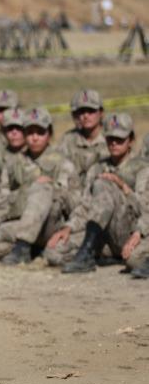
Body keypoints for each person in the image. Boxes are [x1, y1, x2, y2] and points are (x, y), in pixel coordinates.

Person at [0, 108, 79, 264]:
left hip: (50, 227)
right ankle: (28, 249)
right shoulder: (16, 163)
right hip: (20, 224)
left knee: (42, 187)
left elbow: (76, 202)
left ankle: (24, 247)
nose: (35, 137)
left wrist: (54, 190)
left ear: (49, 133)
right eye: (30, 132)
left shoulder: (63, 163)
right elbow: (4, 196)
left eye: (40, 132)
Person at [46, 113, 147, 273]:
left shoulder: (142, 167)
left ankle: (90, 254)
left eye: (120, 139)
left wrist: (123, 187)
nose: (114, 143)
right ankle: (93, 253)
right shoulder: (97, 168)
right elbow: (86, 205)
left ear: (131, 140)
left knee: (103, 184)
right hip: (101, 233)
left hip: (129, 230)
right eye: (110, 138)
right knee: (53, 252)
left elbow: (144, 207)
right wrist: (68, 228)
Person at [57, 89, 109, 185]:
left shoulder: (112, 139)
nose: (86, 116)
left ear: (101, 113)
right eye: (81, 112)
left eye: (91, 111)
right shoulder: (68, 139)